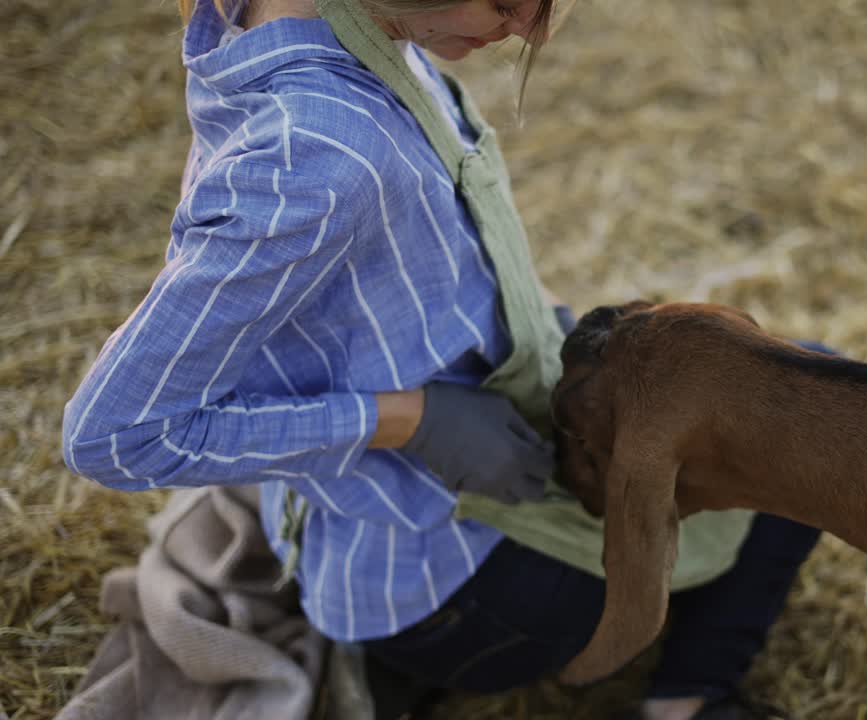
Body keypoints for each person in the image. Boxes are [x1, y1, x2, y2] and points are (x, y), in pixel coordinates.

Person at [61, 1, 825, 718]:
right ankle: (692, 696)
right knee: (803, 440)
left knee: (784, 377)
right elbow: (114, 434)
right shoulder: (317, 157)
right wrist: (411, 421)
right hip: (448, 587)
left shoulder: (347, 26)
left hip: (447, 506)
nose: (532, 29)